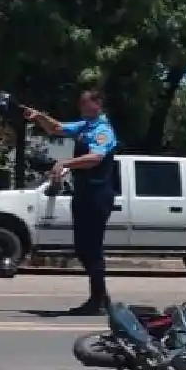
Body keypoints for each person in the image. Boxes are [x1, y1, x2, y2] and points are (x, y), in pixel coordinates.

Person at [23, 89, 118, 315]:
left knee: (91, 248)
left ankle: (98, 301)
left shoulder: (102, 130)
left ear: (98, 104)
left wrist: (66, 163)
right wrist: (37, 116)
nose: (81, 107)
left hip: (98, 194)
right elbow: (56, 128)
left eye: (85, 104)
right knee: (82, 247)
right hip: (84, 194)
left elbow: (95, 158)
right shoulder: (85, 126)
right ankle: (101, 298)